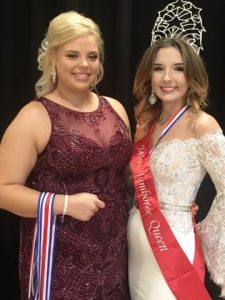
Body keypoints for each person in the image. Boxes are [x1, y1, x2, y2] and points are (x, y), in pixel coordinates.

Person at [0, 11, 132, 299]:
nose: (84, 65)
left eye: (93, 56)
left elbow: (126, 180)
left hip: (114, 257)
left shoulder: (116, 109)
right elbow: (3, 190)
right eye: (72, 55)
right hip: (59, 262)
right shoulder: (34, 116)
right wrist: (65, 204)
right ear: (52, 58)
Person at [127, 37, 225, 299]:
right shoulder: (146, 122)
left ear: (192, 74)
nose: (167, 77)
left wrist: (206, 231)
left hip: (172, 243)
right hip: (137, 238)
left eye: (178, 68)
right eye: (159, 68)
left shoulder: (201, 124)